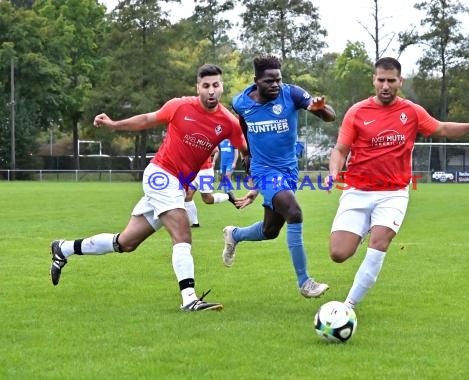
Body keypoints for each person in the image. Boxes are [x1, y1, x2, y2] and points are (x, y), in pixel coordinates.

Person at [49, 64, 248, 312]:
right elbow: (146, 119)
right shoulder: (179, 106)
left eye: (215, 85)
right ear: (197, 87)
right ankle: (189, 298)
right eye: (205, 86)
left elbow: (246, 149)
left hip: (177, 183)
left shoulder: (228, 122)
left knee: (125, 243)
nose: (211, 91)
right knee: (182, 233)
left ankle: (64, 248)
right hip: (161, 175)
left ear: (222, 87)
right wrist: (113, 124)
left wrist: (257, 171)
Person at [325, 57, 469, 309]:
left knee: (379, 244)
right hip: (357, 191)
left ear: (401, 81)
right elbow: (340, 149)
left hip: (393, 193)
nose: (385, 86)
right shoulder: (357, 112)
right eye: (381, 80)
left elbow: (442, 128)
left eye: (391, 80)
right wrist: (334, 171)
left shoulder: (411, 111)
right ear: (373, 80)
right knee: (338, 254)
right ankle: (367, 226)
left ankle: (348, 306)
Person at [221, 55, 336, 298]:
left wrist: (320, 109)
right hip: (264, 171)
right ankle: (305, 282)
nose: (275, 85)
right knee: (294, 212)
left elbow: (330, 116)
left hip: (288, 170)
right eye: (269, 81)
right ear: (256, 81)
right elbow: (243, 124)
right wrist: (248, 154)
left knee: (270, 230)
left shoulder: (292, 94)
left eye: (278, 80)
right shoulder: (241, 102)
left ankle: (235, 234)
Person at [184, 146, 237, 228]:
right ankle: (194, 223)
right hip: (193, 170)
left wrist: (198, 153)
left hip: (205, 171)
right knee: (187, 196)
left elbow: (215, 150)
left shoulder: (205, 136)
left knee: (207, 199)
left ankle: (228, 196)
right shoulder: (189, 137)